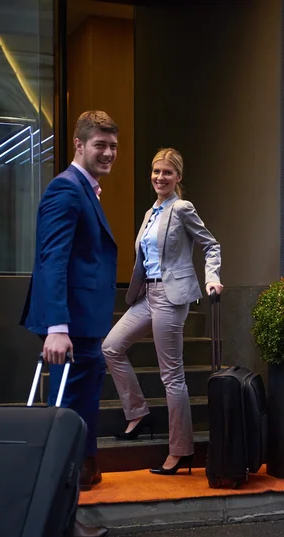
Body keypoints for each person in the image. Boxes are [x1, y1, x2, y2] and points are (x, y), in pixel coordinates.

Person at [20, 110, 119, 537]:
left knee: (79, 422)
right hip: (72, 332)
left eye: (113, 145)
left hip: (85, 329)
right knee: (68, 423)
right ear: (78, 145)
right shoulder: (65, 189)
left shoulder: (86, 191)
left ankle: (64, 513)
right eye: (100, 144)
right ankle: (60, 521)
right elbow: (52, 260)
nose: (108, 152)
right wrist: (56, 326)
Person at [102, 148, 223, 475]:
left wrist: (212, 279)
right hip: (147, 294)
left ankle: (181, 450)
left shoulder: (182, 208)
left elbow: (211, 245)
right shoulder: (151, 212)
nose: (160, 177)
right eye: (156, 171)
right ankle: (138, 412)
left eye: (167, 172)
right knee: (111, 347)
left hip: (171, 296)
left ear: (178, 177)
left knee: (172, 375)